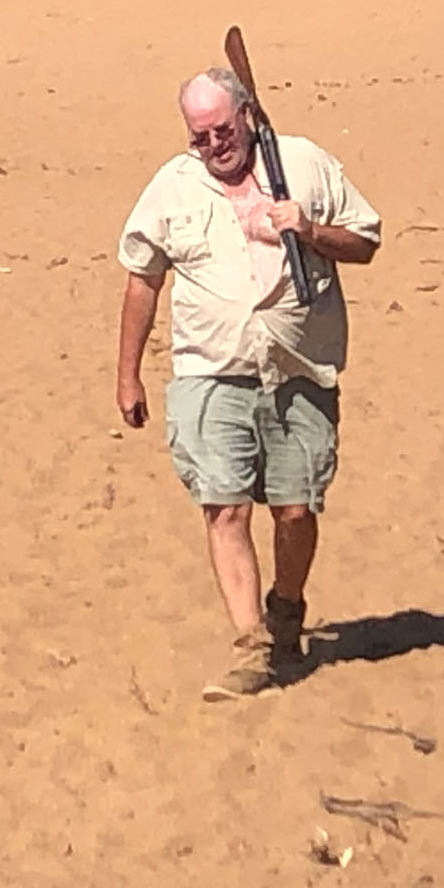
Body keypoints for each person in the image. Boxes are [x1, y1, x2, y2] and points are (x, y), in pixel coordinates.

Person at [115, 67, 382, 701]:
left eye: (222, 131)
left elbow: (366, 242)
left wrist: (309, 231)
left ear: (247, 116)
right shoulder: (173, 187)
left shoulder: (304, 164)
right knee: (224, 506)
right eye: (199, 136)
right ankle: (251, 645)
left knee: (296, 509)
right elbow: (142, 278)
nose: (214, 146)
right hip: (209, 371)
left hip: (299, 367)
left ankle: (286, 606)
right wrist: (128, 374)